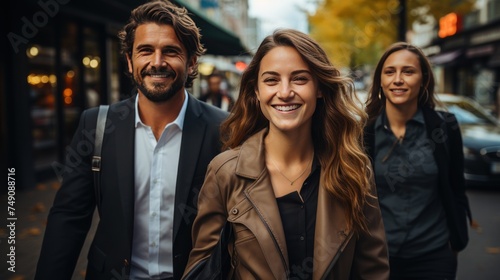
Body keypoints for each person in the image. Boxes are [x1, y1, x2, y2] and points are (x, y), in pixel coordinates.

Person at [35, 1, 228, 279]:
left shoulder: (224, 130)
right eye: (145, 50)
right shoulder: (97, 124)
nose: (157, 62)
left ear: (192, 61)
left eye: (171, 51)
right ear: (129, 60)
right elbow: (69, 218)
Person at [183, 29, 389, 280]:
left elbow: (373, 271)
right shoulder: (225, 171)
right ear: (256, 92)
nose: (284, 92)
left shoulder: (353, 169)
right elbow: (203, 270)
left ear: (320, 89)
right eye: (271, 80)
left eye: (299, 79)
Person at [363, 42, 472, 279]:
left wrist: (457, 241)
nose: (398, 79)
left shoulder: (445, 127)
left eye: (408, 71)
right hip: (378, 256)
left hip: (433, 255)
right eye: (390, 72)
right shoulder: (364, 132)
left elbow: (456, 187)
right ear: (380, 81)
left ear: (423, 80)